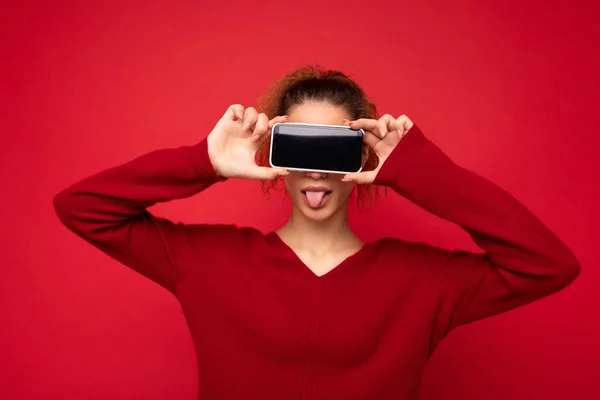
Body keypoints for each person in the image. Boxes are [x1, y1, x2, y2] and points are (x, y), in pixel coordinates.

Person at [53, 65, 581, 399]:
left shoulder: (422, 279)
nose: (317, 171)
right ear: (276, 156)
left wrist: (420, 171)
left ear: (364, 158)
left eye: (334, 150)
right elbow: (81, 208)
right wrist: (204, 162)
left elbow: (549, 265)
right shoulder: (207, 260)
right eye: (302, 148)